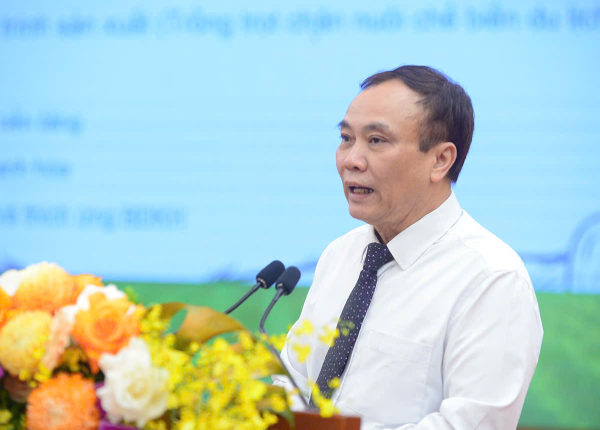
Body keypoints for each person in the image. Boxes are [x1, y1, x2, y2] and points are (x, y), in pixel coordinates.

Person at [272, 65, 544, 430]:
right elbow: (292, 380)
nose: (351, 160)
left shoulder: (493, 279)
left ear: (440, 160)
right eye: (346, 138)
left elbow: (469, 424)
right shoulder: (341, 254)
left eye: (376, 141)